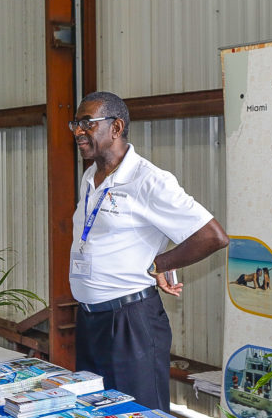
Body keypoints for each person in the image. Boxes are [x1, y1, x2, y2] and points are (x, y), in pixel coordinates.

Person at [69, 91, 229, 411]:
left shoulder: (148, 180)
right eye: (75, 124)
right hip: (90, 320)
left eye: (87, 123)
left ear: (116, 127)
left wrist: (159, 264)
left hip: (129, 323)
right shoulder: (91, 176)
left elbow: (212, 236)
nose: (78, 132)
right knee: (94, 410)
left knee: (139, 412)